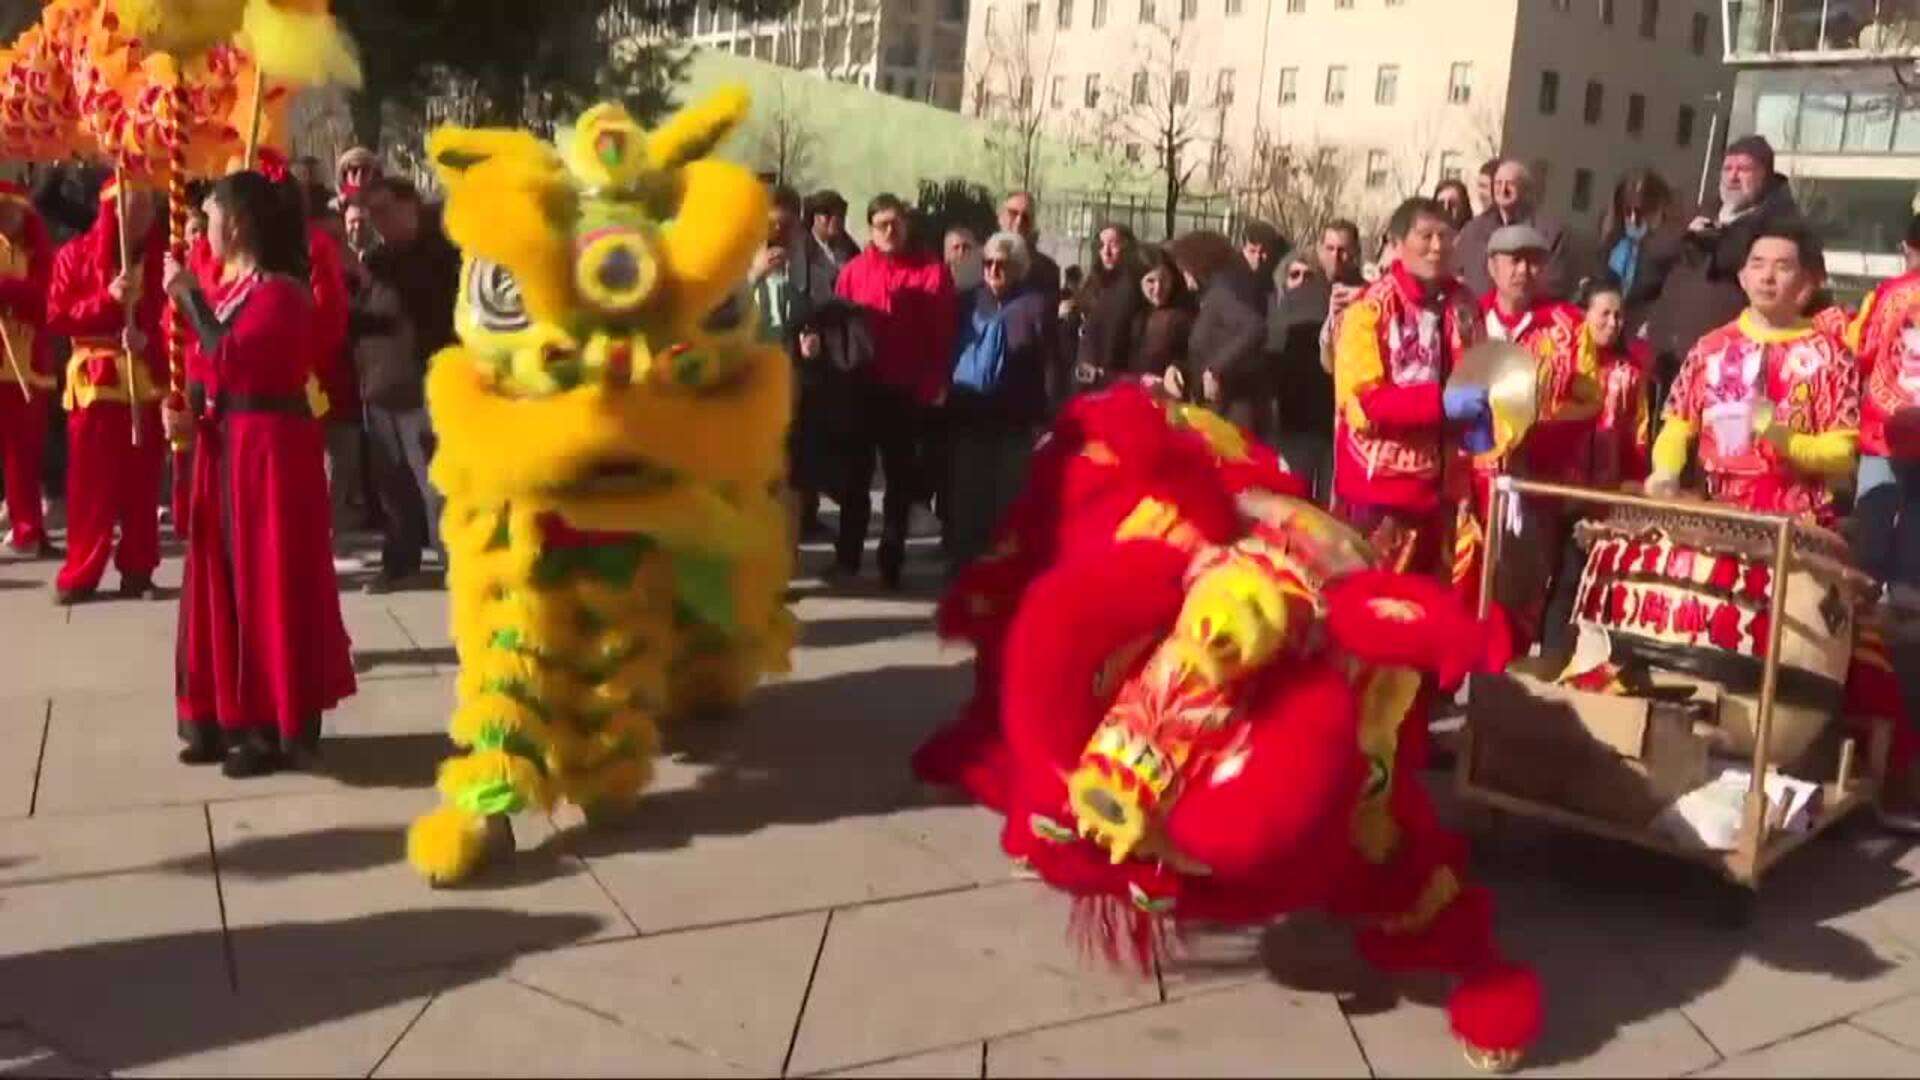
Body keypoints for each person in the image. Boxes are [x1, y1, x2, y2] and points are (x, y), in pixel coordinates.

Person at [164, 170, 357, 778]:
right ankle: (219, 712)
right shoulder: (232, 291)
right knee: (219, 579)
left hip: (269, 453)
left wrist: (188, 297)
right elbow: (207, 366)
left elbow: (235, 355)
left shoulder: (282, 293)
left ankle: (271, 723)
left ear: (240, 223)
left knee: (264, 580)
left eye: (214, 216)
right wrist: (187, 408)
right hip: (226, 448)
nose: (207, 229)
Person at [1649, 223, 1858, 525]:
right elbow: (1678, 427)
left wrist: (1778, 434)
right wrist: (1665, 472)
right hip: (1715, 512)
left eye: (1783, 267)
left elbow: (1841, 452)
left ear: (1806, 283)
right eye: (1757, 264)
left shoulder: (1832, 355)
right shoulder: (1711, 347)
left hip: (1797, 523)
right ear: (1742, 277)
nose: (1767, 277)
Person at [1331, 196, 1482, 575]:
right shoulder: (1369, 309)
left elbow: (1480, 375)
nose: (1437, 246)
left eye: (1445, 236)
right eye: (1426, 235)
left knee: (1433, 610)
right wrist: (1443, 403)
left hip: (1445, 491)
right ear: (1397, 244)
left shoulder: (1464, 304)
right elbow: (1369, 401)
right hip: (1382, 489)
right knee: (1378, 608)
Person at [1463, 224, 1597, 645]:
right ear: (1492, 266)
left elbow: (1591, 400)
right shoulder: (1467, 319)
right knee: (1463, 586)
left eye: (1533, 261)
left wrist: (1539, 423)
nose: (1523, 269)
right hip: (1468, 482)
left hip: (1534, 480)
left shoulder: (1569, 327)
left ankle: (1506, 683)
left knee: (1521, 592)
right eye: (1513, 260)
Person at [46, 177, 167, 604]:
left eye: (149, 208)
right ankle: (82, 572)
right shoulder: (73, 256)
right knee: (90, 487)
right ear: (112, 209)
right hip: (95, 383)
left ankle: (138, 569)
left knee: (142, 484)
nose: (143, 216)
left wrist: (150, 337)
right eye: (134, 206)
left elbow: (171, 319)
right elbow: (58, 316)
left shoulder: (159, 263)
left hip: (144, 382)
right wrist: (106, 300)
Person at [833, 193, 955, 588]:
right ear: (870, 228)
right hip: (861, 389)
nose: (889, 230)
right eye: (882, 223)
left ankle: (891, 559)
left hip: (906, 391)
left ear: (906, 226)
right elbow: (840, 332)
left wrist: (935, 383)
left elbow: (943, 335)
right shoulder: (853, 272)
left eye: (896, 223)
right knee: (855, 480)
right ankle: (847, 557)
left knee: (900, 483)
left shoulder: (931, 273)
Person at [357, 176, 460, 592]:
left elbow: (423, 308)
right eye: (372, 214)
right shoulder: (377, 258)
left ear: (409, 207)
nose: (377, 222)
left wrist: (366, 276)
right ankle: (400, 561)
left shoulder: (439, 254)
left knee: (438, 487)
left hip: (425, 388)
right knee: (393, 488)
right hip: (380, 388)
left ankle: (458, 561)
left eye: (384, 211)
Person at [1647, 135, 1801, 413]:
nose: (1732, 177)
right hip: (1669, 357)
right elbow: (1654, 253)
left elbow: (1737, 260)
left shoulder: (1778, 223)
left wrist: (1720, 235)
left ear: (1764, 176)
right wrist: (1688, 236)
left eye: (1743, 169)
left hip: (1728, 362)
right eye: (1728, 168)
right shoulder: (1700, 209)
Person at [945, 231, 1052, 573]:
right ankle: (965, 567)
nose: (992, 271)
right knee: (968, 495)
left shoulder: (1036, 306)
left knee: (1007, 498)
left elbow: (1049, 364)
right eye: (987, 263)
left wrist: (1045, 418)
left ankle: (1002, 571)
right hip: (971, 411)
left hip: (1015, 417)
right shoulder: (967, 301)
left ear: (1018, 268)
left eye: (1001, 265)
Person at [1846, 213, 1920, 602]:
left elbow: (1864, 349)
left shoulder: (1889, 292)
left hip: (1884, 427)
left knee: (1875, 510)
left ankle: (1864, 594)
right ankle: (1907, 595)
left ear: (1908, 248)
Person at [1273, 220, 1363, 503]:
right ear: (1319, 249)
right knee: (1294, 510)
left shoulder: (1369, 295)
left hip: (1343, 425)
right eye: (1330, 248)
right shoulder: (1297, 296)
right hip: (1298, 422)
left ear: (1356, 252)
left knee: (1335, 510)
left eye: (1344, 250)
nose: (1336, 257)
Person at [0, 179, 55, 557]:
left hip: (27, 365)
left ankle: (28, 528)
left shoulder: (39, 252)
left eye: (14, 211)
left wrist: (6, 291)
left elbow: (46, 299)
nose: (9, 218)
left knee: (25, 454)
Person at [1455, 160, 1572, 299]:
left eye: (1510, 184)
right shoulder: (1474, 229)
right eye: (1498, 183)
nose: (1503, 189)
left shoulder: (1549, 232)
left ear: (1525, 189)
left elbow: (1555, 285)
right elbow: (1456, 272)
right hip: (1477, 313)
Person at [1597, 168, 1681, 339]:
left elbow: (1671, 296)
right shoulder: (1612, 242)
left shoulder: (1671, 248)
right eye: (1628, 212)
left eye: (1641, 212)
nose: (1634, 220)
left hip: (1644, 333)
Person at [1071, 222, 1142, 393]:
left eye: (1114, 244)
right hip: (1084, 374)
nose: (1106, 251)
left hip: (1112, 378)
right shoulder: (1091, 283)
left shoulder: (1133, 287)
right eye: (1102, 245)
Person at [1132, 245, 1197, 398]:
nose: (1158, 288)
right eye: (1150, 281)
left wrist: (1177, 368)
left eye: (1165, 280)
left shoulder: (1185, 315)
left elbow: (1195, 354)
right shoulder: (1128, 311)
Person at [944, 225, 981, 292]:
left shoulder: (984, 281)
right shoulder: (941, 281)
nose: (961, 252)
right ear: (947, 253)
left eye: (966, 247)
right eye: (956, 247)